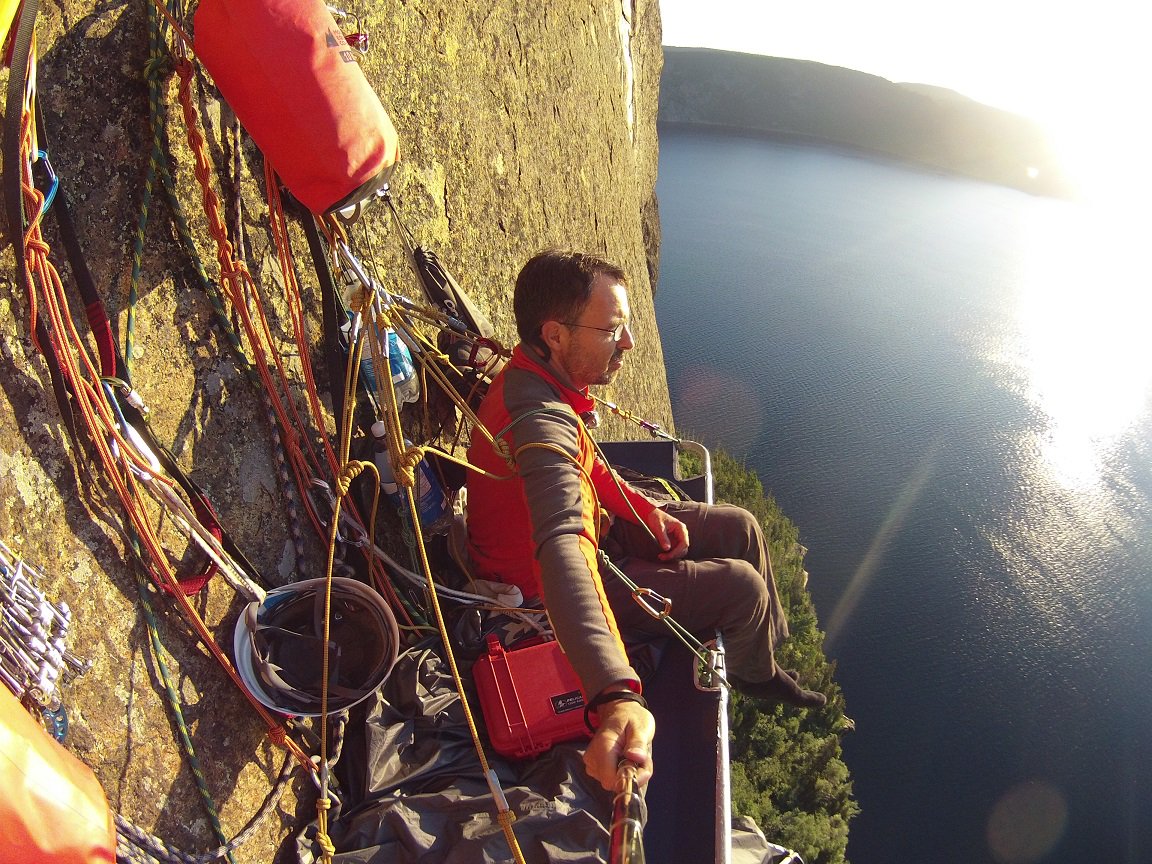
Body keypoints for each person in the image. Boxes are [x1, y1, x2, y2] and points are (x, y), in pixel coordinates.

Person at [465, 249, 825, 791]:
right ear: (556, 334)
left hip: (598, 532)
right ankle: (755, 676)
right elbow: (565, 545)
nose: (629, 343)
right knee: (744, 589)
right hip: (541, 589)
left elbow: (588, 463)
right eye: (613, 330)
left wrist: (646, 510)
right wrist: (615, 693)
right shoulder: (537, 418)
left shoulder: (542, 381)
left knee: (741, 527)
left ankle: (764, 653)